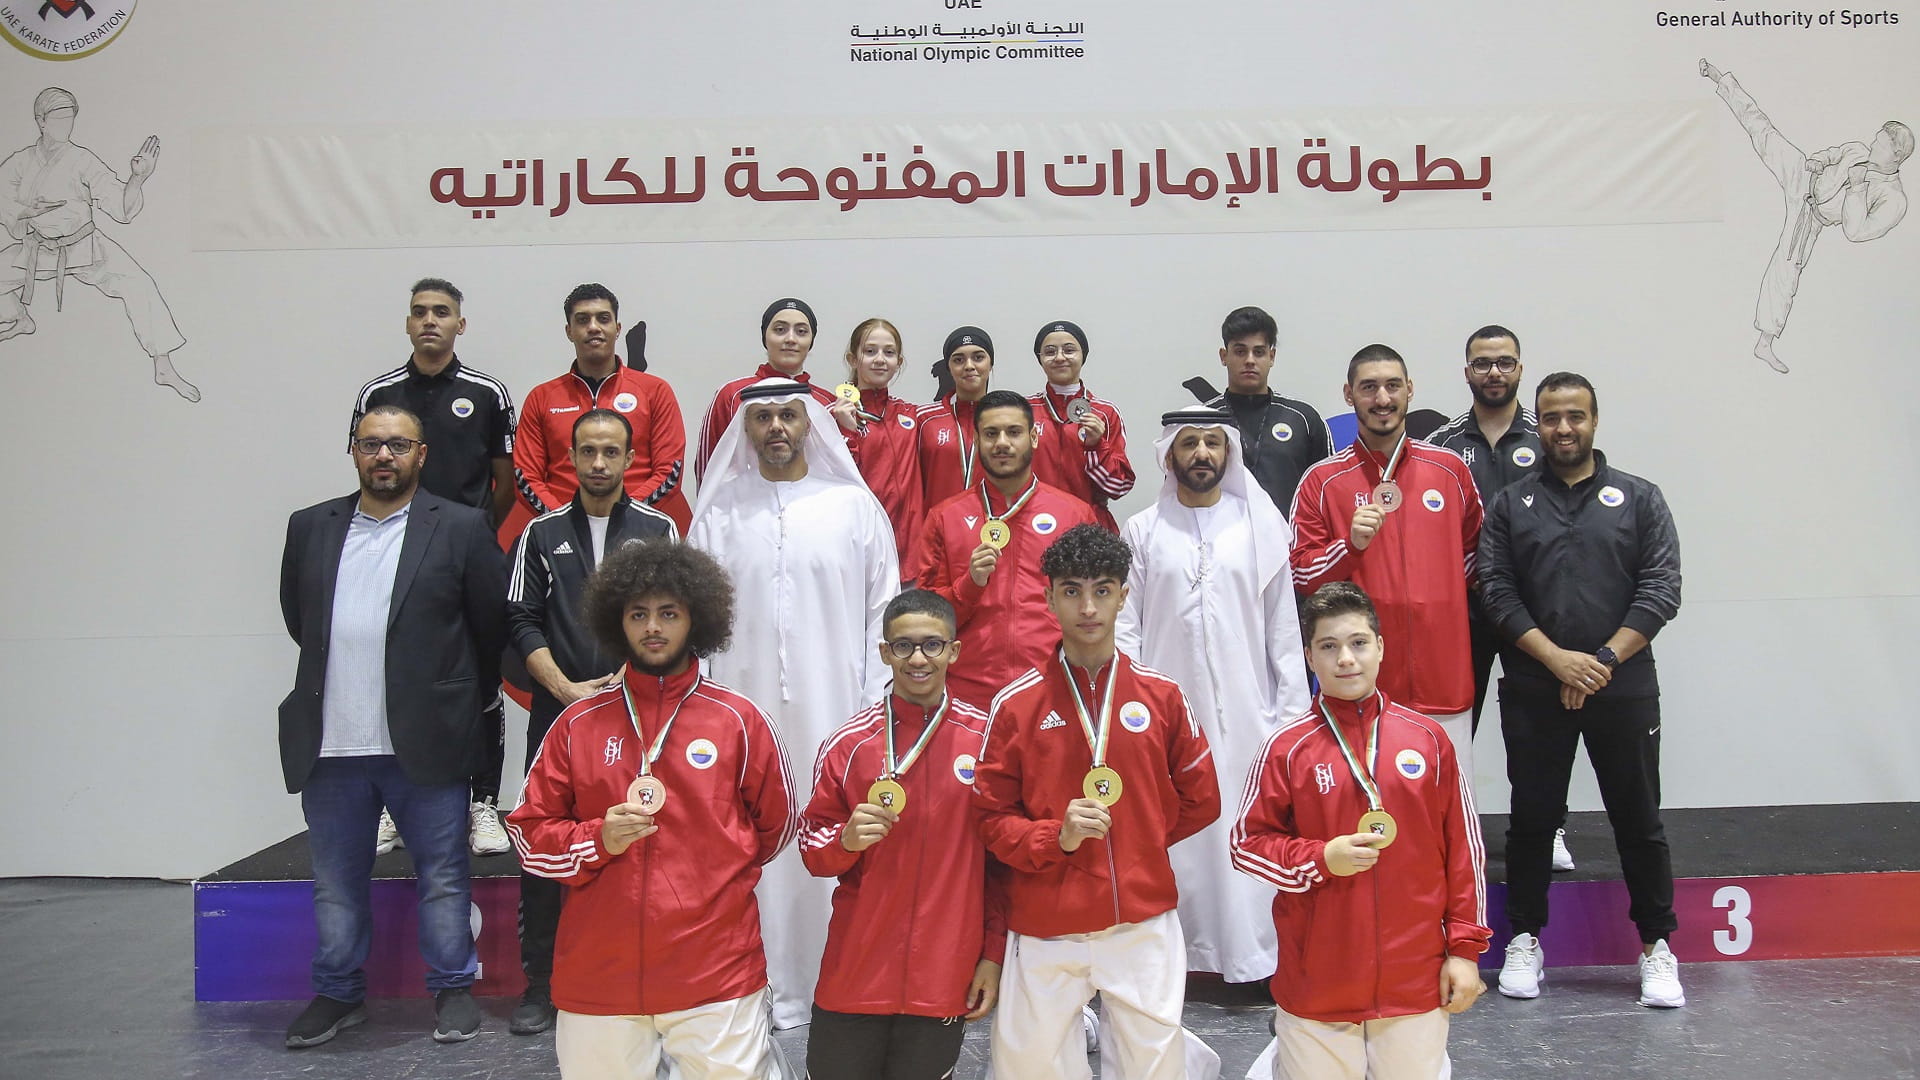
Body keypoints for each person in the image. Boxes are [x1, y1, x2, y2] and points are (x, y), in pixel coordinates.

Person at [506, 540, 797, 1078]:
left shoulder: (740, 721)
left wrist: (707, 874)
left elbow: (776, 828)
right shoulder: (577, 724)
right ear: (617, 623)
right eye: (638, 614)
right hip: (599, 976)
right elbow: (529, 834)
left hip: (714, 971)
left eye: (669, 613)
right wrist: (597, 840)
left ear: (696, 619)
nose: (653, 627)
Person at [277, 405, 508, 1048]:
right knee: (336, 882)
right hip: (331, 742)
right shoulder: (310, 526)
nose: (384, 456)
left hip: (426, 739)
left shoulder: (460, 526)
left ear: (421, 455)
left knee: (443, 875)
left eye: (398, 445)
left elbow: (489, 624)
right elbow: (300, 619)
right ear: (354, 451)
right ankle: (338, 993)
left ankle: (452, 990)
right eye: (371, 444)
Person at [973, 524, 1222, 1080]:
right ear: (1049, 597)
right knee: (1029, 1071)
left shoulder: (1162, 696)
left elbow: (1202, 798)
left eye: (1102, 590)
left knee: (1153, 1070)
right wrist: (1053, 838)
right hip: (1045, 919)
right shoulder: (1015, 705)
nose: (1088, 607)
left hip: (1141, 920)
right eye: (1072, 591)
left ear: (1123, 596)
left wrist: (1138, 842)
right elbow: (990, 820)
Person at [688, 379, 898, 1028]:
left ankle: (835, 984)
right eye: (763, 417)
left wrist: (872, 710)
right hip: (741, 717)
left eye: (788, 415)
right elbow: (694, 622)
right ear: (745, 429)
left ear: (809, 423)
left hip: (838, 713)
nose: (776, 427)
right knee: (753, 845)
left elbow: (884, 613)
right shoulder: (720, 513)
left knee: (833, 843)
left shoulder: (853, 508)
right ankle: (761, 984)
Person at [1478, 372, 1686, 1009]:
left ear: (1594, 421)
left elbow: (1662, 589)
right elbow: (1495, 591)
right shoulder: (1510, 504)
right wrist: (1557, 661)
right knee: (1532, 821)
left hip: (1622, 687)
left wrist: (1599, 662)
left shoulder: (1641, 498)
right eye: (1551, 418)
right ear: (1536, 425)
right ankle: (1525, 940)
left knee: (1638, 820)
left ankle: (1656, 947)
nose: (1563, 428)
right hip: (1535, 687)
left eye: (1575, 416)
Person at [1231, 583, 1489, 1080]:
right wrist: (1320, 858)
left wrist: (1464, 951)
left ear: (1381, 647)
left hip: (1414, 977)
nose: (1346, 658)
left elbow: (1464, 853)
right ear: (1310, 657)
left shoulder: (1429, 740)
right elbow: (1247, 845)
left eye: (1358, 643)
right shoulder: (1287, 749)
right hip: (1318, 978)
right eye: (1329, 646)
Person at [1117, 408, 1311, 985]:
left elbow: (1283, 628)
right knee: (1179, 837)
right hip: (1165, 719)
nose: (1201, 454)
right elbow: (1126, 629)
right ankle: (1180, 962)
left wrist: (1291, 719)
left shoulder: (1259, 526)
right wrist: (1131, 713)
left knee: (1243, 831)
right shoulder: (1142, 531)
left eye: (1212, 443)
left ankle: (1252, 958)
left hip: (1251, 716)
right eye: (1189, 444)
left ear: (1228, 454)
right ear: (1169, 455)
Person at [505, 408, 678, 1035]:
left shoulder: (659, 529)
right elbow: (520, 620)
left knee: (642, 839)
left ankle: (643, 972)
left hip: (640, 717)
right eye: (587, 451)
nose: (599, 463)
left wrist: (627, 685)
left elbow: (671, 619)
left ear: (630, 459)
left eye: (611, 451)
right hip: (561, 716)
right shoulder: (539, 533)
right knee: (549, 840)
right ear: (571, 458)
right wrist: (567, 690)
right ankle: (540, 983)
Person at [799, 589, 1005, 1080]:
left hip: (944, 972)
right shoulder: (849, 744)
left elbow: (1001, 866)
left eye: (932, 645)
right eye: (903, 645)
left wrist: (993, 955)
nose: (918, 658)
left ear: (954, 651)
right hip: (856, 971)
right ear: (884, 652)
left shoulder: (989, 744)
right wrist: (845, 841)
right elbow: (811, 850)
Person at [352, 278, 518, 860]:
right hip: (392, 560)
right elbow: (371, 470)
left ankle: (483, 804)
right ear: (407, 323)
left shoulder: (487, 393)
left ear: (459, 325)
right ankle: (394, 808)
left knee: (481, 680)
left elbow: (504, 481)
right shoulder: (378, 392)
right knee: (397, 678)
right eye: (420, 311)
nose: (430, 320)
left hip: (465, 557)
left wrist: (468, 536)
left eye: (442, 312)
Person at [1291, 344, 1482, 784]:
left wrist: (1441, 605)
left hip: (1444, 681)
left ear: (1410, 390)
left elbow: (1479, 559)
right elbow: (1300, 572)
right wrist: (1349, 547)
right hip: (1359, 685)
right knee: (1365, 812)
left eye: (1393, 386)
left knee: (1449, 808)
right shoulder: (1323, 480)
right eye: (1369, 387)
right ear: (1349, 394)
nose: (1382, 399)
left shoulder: (1450, 471)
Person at [1427, 325, 1572, 873]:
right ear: (1466, 371)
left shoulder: (1545, 437)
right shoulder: (1441, 444)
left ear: (1520, 369)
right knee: (1453, 727)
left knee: (1537, 729)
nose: (1494, 372)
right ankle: (1441, 830)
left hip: (1532, 614)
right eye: (1483, 363)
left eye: (1504, 362)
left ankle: (1546, 828)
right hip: (1461, 612)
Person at [1700, 59, 1911, 373]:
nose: (1872, 144)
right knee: (1765, 133)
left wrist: (1855, 190)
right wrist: (1817, 160)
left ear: (1896, 155)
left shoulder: (1893, 199)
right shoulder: (1859, 150)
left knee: (1786, 270)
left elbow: (1856, 232)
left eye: (1879, 144)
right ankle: (1722, 80)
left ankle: (1764, 343)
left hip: (1811, 218)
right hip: (1804, 177)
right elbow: (1835, 153)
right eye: (1876, 138)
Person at [0, 87, 198, 400]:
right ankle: (19, 318)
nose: (66, 125)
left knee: (140, 285)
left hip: (85, 247)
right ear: (41, 121)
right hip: (37, 248)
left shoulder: (82, 160)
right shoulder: (20, 162)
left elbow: (120, 208)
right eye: (59, 118)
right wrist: (26, 211)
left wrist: (137, 179)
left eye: (70, 118)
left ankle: (163, 366)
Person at [910, 389, 1099, 711]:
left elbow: (1093, 608)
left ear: (1033, 437)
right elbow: (926, 621)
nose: (1002, 443)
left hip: (1053, 689)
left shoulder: (1074, 515)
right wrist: (969, 584)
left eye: (1013, 432)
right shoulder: (945, 517)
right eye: (990, 433)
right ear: (976, 440)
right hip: (968, 697)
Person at [514, 283, 693, 533]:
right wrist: (563, 520)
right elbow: (526, 477)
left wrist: (626, 515)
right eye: (583, 320)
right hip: (564, 531)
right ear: (569, 331)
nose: (594, 327)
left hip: (636, 531)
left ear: (617, 329)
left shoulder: (655, 391)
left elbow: (669, 472)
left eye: (603, 318)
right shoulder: (541, 398)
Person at [694, 297, 843, 481]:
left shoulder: (826, 403)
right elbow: (708, 469)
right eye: (780, 330)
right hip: (744, 498)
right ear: (765, 336)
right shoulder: (732, 395)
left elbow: (837, 469)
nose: (790, 339)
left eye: (801, 331)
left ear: (811, 340)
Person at [1202, 306, 1332, 517]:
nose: (1250, 360)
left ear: (1272, 356)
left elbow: (1329, 491)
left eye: (1259, 352)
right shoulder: (1201, 420)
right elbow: (1181, 496)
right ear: (1224, 356)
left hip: (1290, 537)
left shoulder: (1303, 419)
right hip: (1217, 536)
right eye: (1240, 351)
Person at [1027, 320, 1134, 531]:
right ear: (1040, 359)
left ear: (1083, 355)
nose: (1059, 357)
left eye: (1069, 350)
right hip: (1036, 523)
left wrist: (1096, 446)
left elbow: (1119, 486)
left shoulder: (1105, 413)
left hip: (1089, 526)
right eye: (1050, 352)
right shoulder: (1024, 411)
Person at [838, 317, 925, 563]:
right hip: (860, 548)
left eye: (889, 352)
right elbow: (836, 479)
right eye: (870, 351)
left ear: (899, 362)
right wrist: (846, 431)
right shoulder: (835, 416)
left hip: (911, 553)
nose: (879, 359)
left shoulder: (912, 415)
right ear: (852, 359)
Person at [915, 325, 997, 510]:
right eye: (958, 360)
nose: (969, 366)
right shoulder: (924, 419)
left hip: (994, 525)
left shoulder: (1006, 419)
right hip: (937, 525)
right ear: (949, 368)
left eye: (978, 357)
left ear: (990, 364)